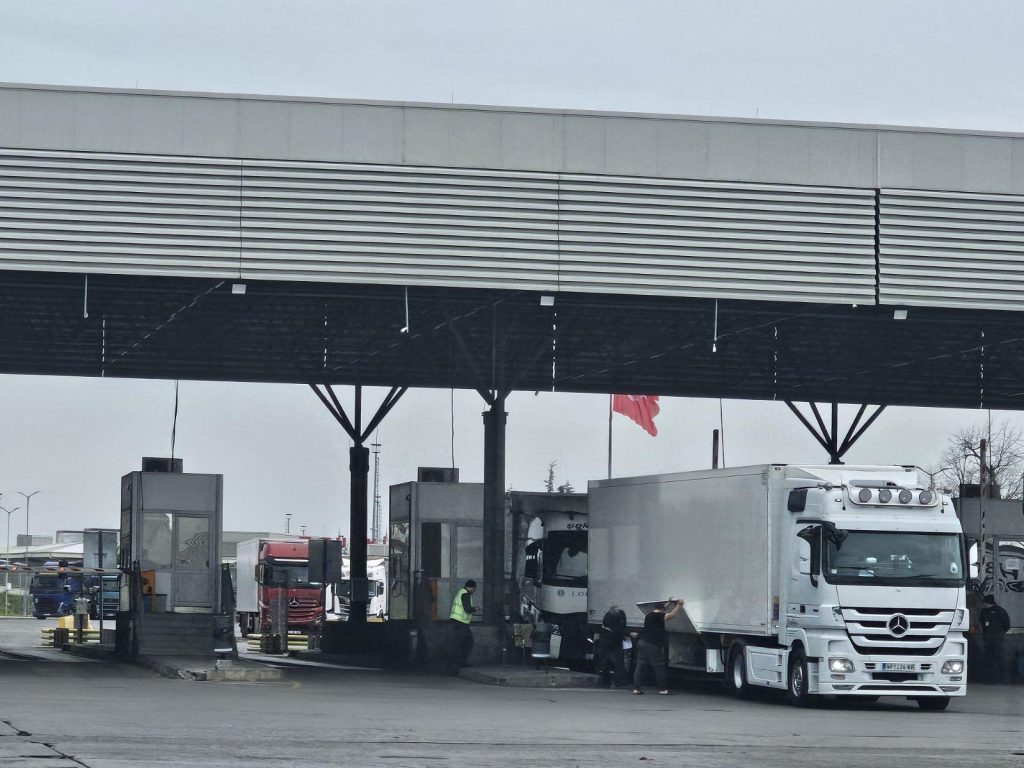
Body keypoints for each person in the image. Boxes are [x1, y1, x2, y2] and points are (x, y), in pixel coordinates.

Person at [633, 598, 684, 695]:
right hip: (651, 644)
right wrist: (679, 605)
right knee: (659, 666)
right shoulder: (659, 616)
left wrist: (668, 602)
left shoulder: (649, 615)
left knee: (640, 666)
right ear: (662, 609)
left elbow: (661, 609)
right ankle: (663, 689)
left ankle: (636, 689)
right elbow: (671, 615)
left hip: (642, 642)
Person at [980, 593, 1011, 683]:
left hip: (996, 639)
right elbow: (982, 622)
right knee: (990, 658)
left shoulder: (999, 611)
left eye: (985, 603)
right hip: (990, 639)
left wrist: (998, 633)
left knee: (997, 658)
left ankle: (1001, 678)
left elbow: (1007, 625)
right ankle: (992, 678)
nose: (984, 604)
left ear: (989, 602)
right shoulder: (985, 611)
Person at [597, 605, 628, 687]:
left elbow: (610, 627)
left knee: (605, 660)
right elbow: (622, 627)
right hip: (615, 640)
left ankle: (606, 681)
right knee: (618, 661)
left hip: (607, 639)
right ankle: (619, 681)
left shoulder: (608, 616)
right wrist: (622, 635)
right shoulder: (620, 615)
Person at [449, 579, 478, 667]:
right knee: (467, 642)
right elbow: (467, 609)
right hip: (460, 622)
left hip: (457, 621)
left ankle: (458, 662)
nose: (474, 591)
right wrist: (475, 609)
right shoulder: (465, 594)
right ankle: (459, 662)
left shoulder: (461, 592)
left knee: (461, 642)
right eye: (474, 589)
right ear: (472, 588)